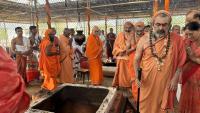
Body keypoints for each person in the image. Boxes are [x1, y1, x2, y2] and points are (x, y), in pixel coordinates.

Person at [134, 10, 186, 113]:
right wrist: (137, 76)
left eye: (164, 25)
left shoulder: (177, 40)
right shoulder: (144, 39)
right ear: (153, 24)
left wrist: (176, 78)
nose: (161, 28)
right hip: (147, 80)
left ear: (169, 25)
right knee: (145, 105)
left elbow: (181, 60)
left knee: (163, 105)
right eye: (158, 24)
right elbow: (136, 59)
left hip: (167, 81)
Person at [0, 46, 30, 113]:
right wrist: (20, 52)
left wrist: (25, 52)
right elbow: (13, 50)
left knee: (22, 70)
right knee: (19, 69)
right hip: (19, 56)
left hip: (22, 57)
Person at [179, 22, 200, 113]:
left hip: (197, 76)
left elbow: (192, 58)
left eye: (191, 34)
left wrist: (193, 57)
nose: (189, 37)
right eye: (187, 34)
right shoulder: (187, 42)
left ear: (199, 30)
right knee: (186, 97)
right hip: (187, 74)